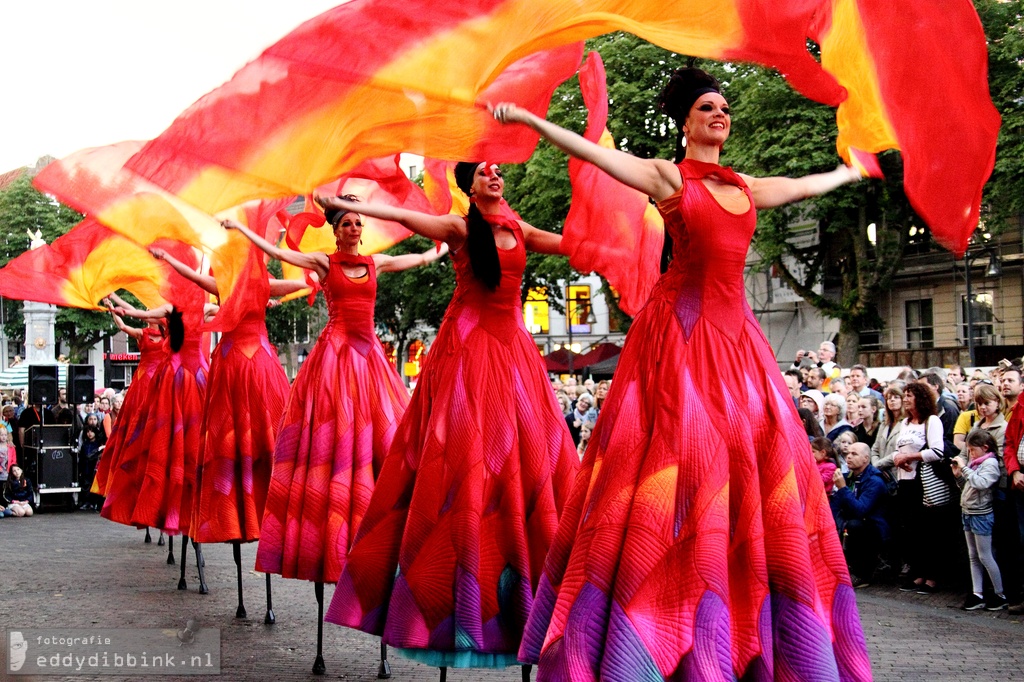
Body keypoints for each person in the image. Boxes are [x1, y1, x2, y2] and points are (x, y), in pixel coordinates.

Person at [489, 66, 870, 680]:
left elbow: (801, 187)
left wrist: (851, 170)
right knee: (676, 460)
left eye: (724, 107)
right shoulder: (669, 176)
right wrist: (534, 121)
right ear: (687, 121)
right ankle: (652, 616)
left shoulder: (744, 184)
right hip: (679, 338)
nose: (720, 114)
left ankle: (740, 617)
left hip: (737, 342)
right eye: (707, 107)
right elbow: (594, 154)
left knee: (754, 466)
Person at [323, 163, 579, 674]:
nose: (495, 175)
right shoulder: (461, 228)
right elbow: (404, 217)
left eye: (499, 170)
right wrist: (352, 206)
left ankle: (529, 588)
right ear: (470, 185)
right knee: (461, 465)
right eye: (484, 172)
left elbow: (575, 243)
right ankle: (454, 587)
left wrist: (629, 219)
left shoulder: (520, 228)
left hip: (514, 354)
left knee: (529, 465)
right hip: (466, 353)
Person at [92, 310, 168, 498]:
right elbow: (123, 327)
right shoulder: (143, 334)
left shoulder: (168, 334)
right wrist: (112, 309)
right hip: (144, 381)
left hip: (161, 379)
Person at [892, 382, 948, 594]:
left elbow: (937, 451)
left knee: (927, 530)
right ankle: (917, 573)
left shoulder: (931, 421)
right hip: (905, 480)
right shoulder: (905, 423)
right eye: (904, 395)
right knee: (911, 530)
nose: (905, 399)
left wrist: (911, 456)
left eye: (909, 396)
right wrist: (899, 457)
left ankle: (932, 576)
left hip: (923, 482)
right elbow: (900, 448)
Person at [952, 430, 1007, 610]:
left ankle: (999, 593)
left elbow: (981, 483)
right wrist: (958, 476)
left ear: (984, 448)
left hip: (981, 515)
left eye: (973, 450)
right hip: (968, 512)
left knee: (985, 555)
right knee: (973, 555)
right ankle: (978, 593)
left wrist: (965, 469)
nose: (970, 454)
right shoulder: (975, 464)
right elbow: (967, 487)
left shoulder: (990, 464)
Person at [833, 443, 890, 588]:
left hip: (874, 529)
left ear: (866, 459)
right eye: (848, 454)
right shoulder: (849, 477)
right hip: (853, 522)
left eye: (854, 454)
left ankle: (862, 574)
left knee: (853, 526)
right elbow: (836, 506)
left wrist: (843, 488)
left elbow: (860, 510)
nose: (849, 457)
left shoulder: (875, 481)